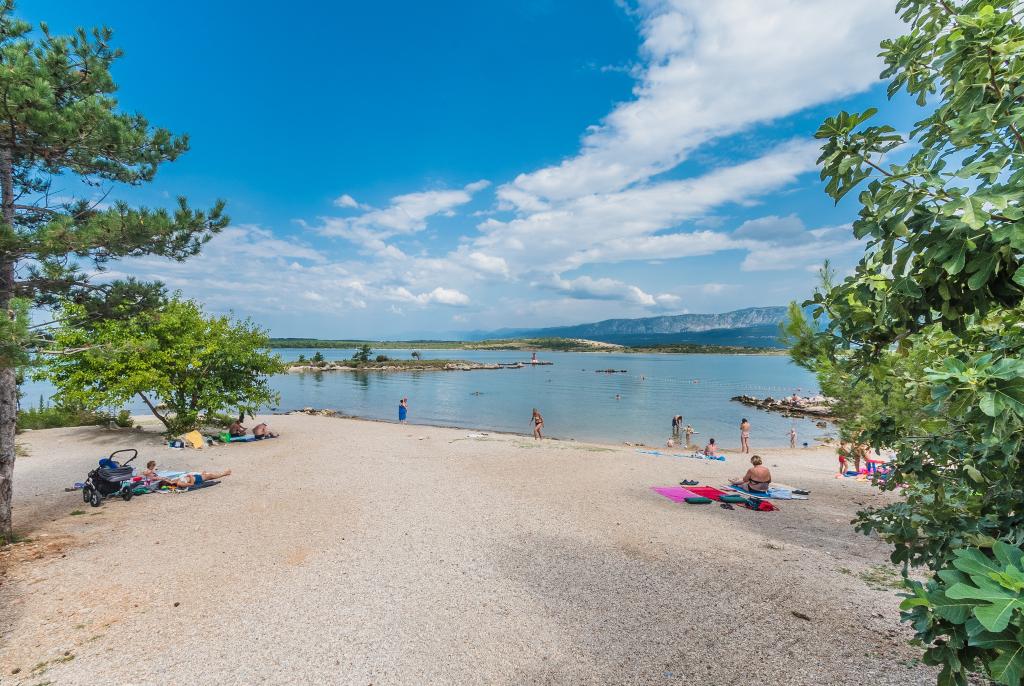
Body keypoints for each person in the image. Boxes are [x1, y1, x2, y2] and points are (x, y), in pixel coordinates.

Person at [160, 469, 232, 489]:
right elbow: (191, 484)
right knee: (210, 475)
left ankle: (224, 473)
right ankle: (224, 473)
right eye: (167, 480)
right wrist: (191, 477)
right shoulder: (179, 483)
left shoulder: (173, 480)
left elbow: (164, 480)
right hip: (197, 479)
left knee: (207, 474)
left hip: (195, 476)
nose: (167, 479)